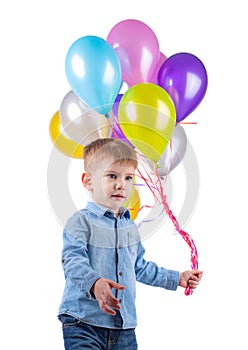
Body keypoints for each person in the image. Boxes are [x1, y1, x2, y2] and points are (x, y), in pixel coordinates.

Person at [58, 138, 203, 349]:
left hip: (124, 328)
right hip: (83, 323)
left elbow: (139, 267)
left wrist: (176, 278)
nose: (121, 185)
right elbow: (72, 261)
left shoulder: (129, 228)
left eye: (128, 178)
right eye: (112, 176)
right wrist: (95, 283)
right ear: (88, 181)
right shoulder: (81, 221)